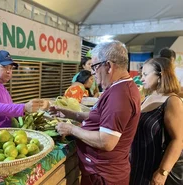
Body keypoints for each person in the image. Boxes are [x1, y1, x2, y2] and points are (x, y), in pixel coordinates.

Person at [50, 40, 141, 185]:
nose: (93, 72)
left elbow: (106, 141)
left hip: (103, 175)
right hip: (100, 172)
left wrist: (71, 129)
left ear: (109, 66)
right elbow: (99, 117)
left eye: (95, 66)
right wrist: (67, 113)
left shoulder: (120, 95)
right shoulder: (117, 88)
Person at [130, 57, 183, 185]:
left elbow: (178, 140)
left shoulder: (172, 101)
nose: (141, 78)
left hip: (155, 168)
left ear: (161, 75)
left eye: (145, 74)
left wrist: (162, 172)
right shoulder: (148, 97)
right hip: (138, 164)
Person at [0, 50, 48, 132]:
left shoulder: (2, 88)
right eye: (4, 67)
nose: (9, 71)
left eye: (11, 68)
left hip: (3, 134)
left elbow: (7, 110)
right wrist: (24, 107)